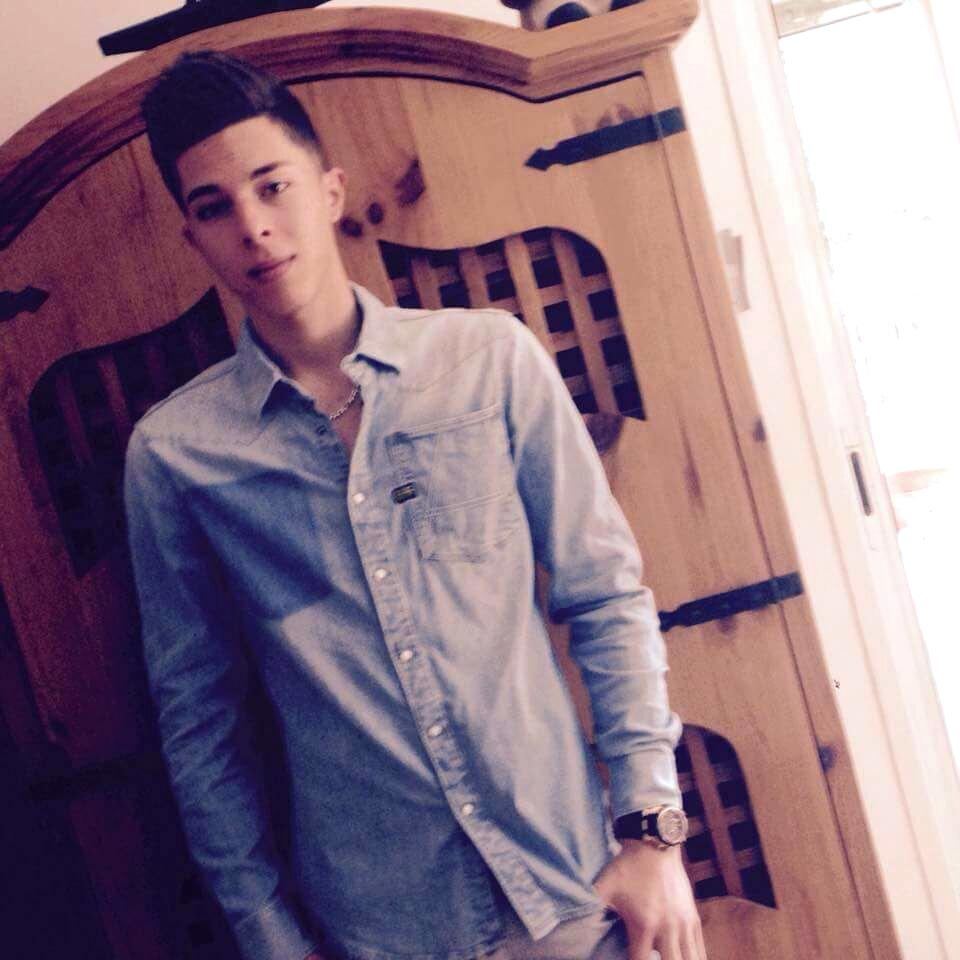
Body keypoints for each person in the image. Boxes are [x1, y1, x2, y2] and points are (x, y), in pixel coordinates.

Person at [125, 50, 705, 960]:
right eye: (215, 207)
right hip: (382, 930)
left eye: (273, 186)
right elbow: (201, 727)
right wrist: (272, 941)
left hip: (579, 893)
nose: (254, 226)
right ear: (193, 236)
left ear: (329, 191)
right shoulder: (177, 455)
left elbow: (604, 592)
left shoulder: (488, 361)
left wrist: (652, 834)